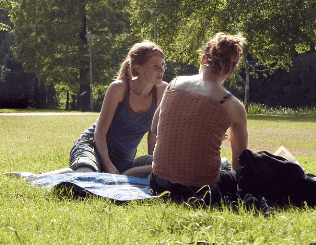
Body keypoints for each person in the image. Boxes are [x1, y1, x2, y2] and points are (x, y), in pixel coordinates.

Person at [150, 32, 247, 201]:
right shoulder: (232, 105)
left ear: (203, 59)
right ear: (232, 70)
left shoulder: (174, 83)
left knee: (141, 162)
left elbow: (155, 127)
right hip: (201, 189)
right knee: (229, 172)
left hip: (159, 183)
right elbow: (239, 163)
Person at [70, 40, 168, 175]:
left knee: (161, 170)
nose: (161, 70)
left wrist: (153, 169)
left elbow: (152, 135)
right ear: (138, 68)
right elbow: (100, 133)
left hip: (123, 161)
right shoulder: (119, 88)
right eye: (155, 66)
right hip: (92, 146)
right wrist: (108, 164)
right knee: (87, 175)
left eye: (163, 65)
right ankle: (42, 177)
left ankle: (80, 173)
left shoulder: (162, 90)